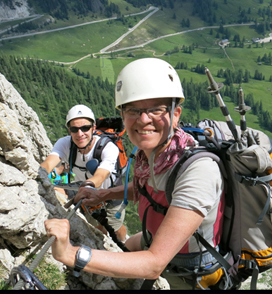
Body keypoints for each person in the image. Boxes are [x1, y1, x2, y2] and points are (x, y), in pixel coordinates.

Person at [45, 59, 227, 289]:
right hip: (152, 238)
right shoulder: (152, 154)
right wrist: (103, 195)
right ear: (123, 116)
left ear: (176, 114)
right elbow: (147, 189)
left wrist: (70, 254)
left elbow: (154, 263)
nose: (143, 119)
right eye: (133, 110)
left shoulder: (198, 170)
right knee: (123, 248)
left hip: (189, 269)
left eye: (156, 109)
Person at [41, 104, 127, 242]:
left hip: (109, 194)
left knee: (110, 229)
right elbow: (48, 163)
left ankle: (123, 241)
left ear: (93, 128)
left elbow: (100, 176)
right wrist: (38, 175)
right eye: (74, 129)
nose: (80, 134)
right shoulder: (64, 144)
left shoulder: (108, 147)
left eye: (85, 128)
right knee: (95, 226)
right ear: (69, 130)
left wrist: (87, 186)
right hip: (84, 192)